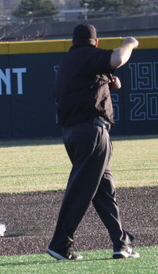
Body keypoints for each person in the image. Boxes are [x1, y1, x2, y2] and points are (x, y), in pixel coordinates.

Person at [47, 23, 140, 261]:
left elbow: (80, 90)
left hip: (74, 133)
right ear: (95, 43)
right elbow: (119, 58)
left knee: (104, 191)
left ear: (73, 42)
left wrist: (107, 84)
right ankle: (60, 244)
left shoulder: (68, 63)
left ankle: (121, 243)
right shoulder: (88, 55)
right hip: (92, 133)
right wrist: (130, 43)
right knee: (80, 191)